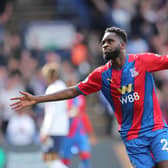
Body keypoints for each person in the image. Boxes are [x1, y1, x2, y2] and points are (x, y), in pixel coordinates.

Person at [10, 26, 168, 168]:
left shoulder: (142, 61)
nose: (105, 45)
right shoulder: (101, 75)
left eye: (109, 41)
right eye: (103, 43)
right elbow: (72, 91)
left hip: (157, 129)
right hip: (132, 137)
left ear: (122, 45)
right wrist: (37, 99)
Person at [61, 74, 97, 168]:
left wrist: (91, 133)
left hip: (80, 131)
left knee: (85, 155)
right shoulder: (62, 98)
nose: (73, 85)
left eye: (74, 83)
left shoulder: (80, 97)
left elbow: (82, 115)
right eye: (70, 83)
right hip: (68, 132)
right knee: (65, 159)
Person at [39, 63, 69, 168]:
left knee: (50, 161)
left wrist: (45, 131)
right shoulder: (63, 86)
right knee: (55, 159)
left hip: (52, 130)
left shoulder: (51, 89)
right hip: (62, 128)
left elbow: (51, 113)